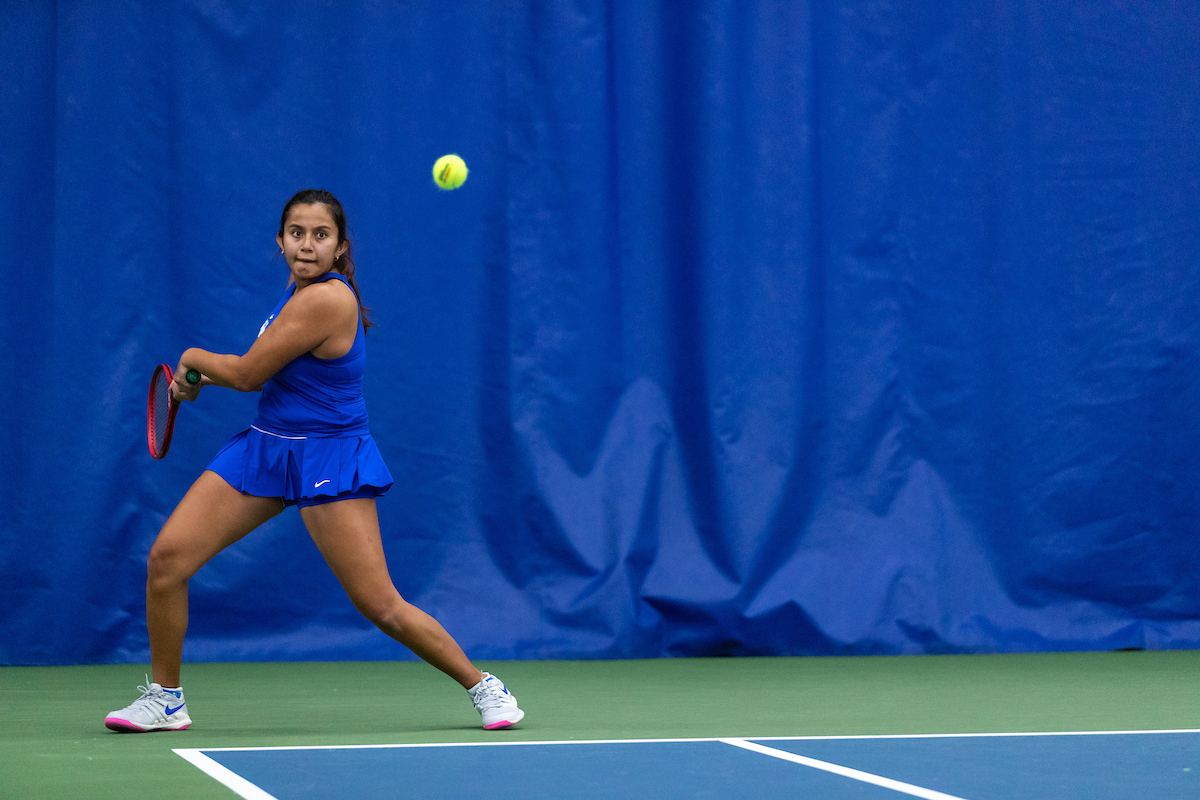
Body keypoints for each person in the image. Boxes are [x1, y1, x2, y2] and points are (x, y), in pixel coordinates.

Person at [105, 189, 523, 733]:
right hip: (267, 447)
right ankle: (165, 698)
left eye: (320, 235)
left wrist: (191, 360)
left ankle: (484, 686)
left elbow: (250, 374)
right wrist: (203, 381)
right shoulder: (295, 292)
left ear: (341, 247)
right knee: (167, 561)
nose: (307, 244)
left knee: (379, 603)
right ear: (280, 242)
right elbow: (273, 371)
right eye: (296, 233)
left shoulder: (327, 299)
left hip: (330, 455)